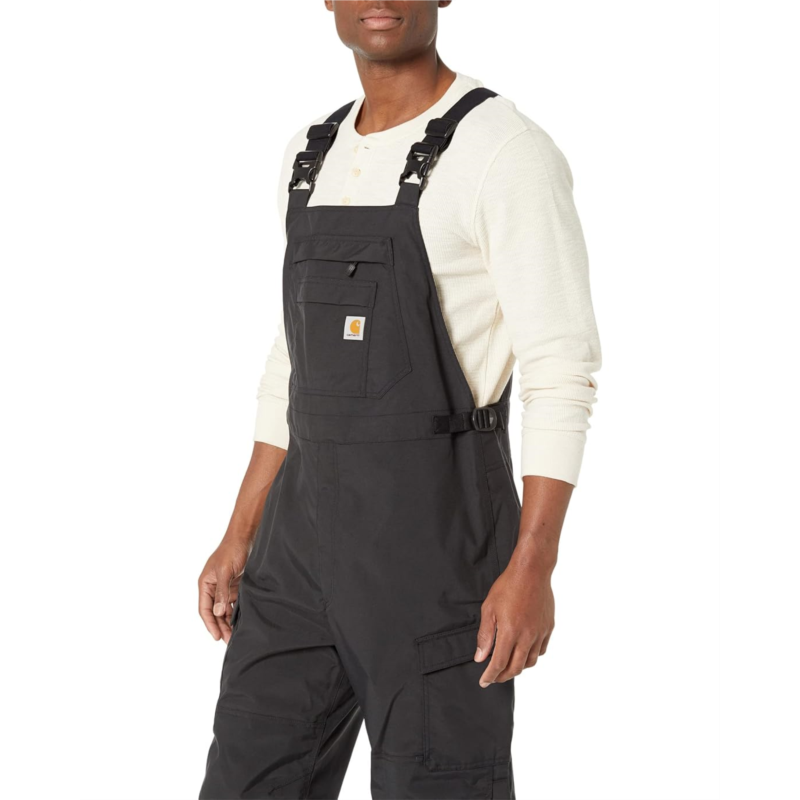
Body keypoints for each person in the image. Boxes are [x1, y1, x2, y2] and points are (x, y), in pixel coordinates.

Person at [198, 1, 601, 797]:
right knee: (247, 780)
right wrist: (240, 533)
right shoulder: (309, 154)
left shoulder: (503, 151)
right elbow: (292, 361)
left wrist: (534, 566)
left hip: (438, 553)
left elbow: (562, 369)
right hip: (296, 551)